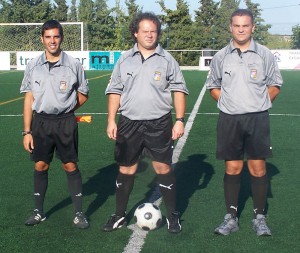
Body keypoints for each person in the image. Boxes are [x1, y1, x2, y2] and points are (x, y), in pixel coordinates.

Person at [103, 12, 189, 233]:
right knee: (126, 168)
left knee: (163, 167)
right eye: (145, 31)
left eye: (154, 31)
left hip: (158, 123)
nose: (150, 35)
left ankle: (172, 215)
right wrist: (112, 120)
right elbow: (114, 91)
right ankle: (120, 214)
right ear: (135, 33)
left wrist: (179, 120)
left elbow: (179, 90)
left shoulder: (167, 60)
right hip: (129, 122)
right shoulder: (124, 60)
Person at [205, 9, 283, 236]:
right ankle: (231, 217)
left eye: (245, 26)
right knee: (233, 167)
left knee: (258, 169)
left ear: (252, 28)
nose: (241, 29)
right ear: (231, 27)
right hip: (230, 119)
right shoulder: (221, 56)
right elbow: (213, 86)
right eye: (237, 25)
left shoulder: (265, 54)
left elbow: (276, 84)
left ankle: (259, 217)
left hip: (257, 119)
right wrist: (230, 104)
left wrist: (259, 103)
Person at [20, 20, 89, 229]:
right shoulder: (33, 66)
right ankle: (38, 211)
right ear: (42, 39)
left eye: (56, 36)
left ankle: (79, 213)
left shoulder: (73, 65)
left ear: (61, 38)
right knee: (41, 164)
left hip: (65, 122)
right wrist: (26, 131)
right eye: (48, 37)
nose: (52, 41)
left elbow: (84, 94)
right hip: (40, 122)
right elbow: (29, 99)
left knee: (70, 165)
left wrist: (66, 109)